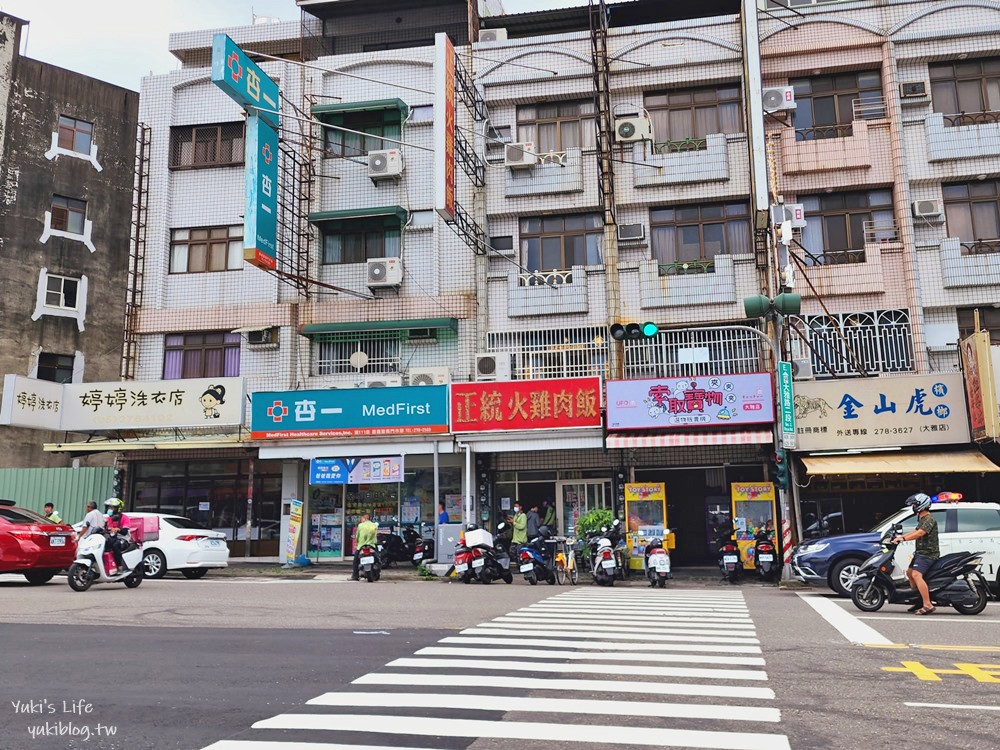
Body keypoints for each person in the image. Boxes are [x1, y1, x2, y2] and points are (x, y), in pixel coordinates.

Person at [892, 493, 939, 615]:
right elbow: (916, 531)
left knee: (916, 574)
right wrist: (901, 536)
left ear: (921, 505)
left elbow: (920, 533)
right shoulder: (923, 518)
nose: (913, 506)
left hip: (928, 554)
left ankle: (928, 604)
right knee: (909, 572)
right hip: (920, 553)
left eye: (914, 504)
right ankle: (918, 599)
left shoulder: (929, 519)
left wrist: (903, 539)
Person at [103, 498, 132, 572]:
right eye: (109, 507)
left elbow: (125, 531)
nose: (110, 509)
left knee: (116, 545)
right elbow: (106, 529)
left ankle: (120, 566)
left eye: (112, 507)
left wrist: (118, 529)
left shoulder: (125, 518)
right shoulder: (109, 519)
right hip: (112, 538)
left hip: (124, 540)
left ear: (118, 508)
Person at [351, 512, 379, 581]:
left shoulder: (360, 525)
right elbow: (375, 536)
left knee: (356, 561)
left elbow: (357, 536)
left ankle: (355, 576)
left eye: (362, 518)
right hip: (371, 545)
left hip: (361, 546)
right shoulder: (374, 525)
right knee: (378, 559)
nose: (361, 520)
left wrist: (357, 542)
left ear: (365, 518)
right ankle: (377, 573)